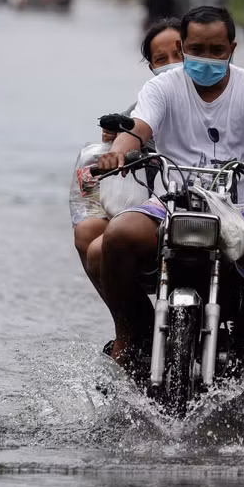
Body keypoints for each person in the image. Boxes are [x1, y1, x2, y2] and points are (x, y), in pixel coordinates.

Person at [93, 6, 244, 368]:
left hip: (238, 209)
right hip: (169, 203)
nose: (206, 59)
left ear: (232, 48)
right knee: (116, 236)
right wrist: (117, 154)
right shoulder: (161, 86)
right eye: (196, 50)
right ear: (183, 45)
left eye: (216, 51)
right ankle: (130, 334)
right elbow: (137, 129)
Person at [73, 18, 183, 296]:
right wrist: (115, 149)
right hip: (159, 201)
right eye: (162, 59)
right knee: (89, 233)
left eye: (179, 54)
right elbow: (134, 132)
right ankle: (132, 325)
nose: (172, 63)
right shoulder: (147, 101)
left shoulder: (234, 92)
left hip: (215, 201)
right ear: (152, 67)